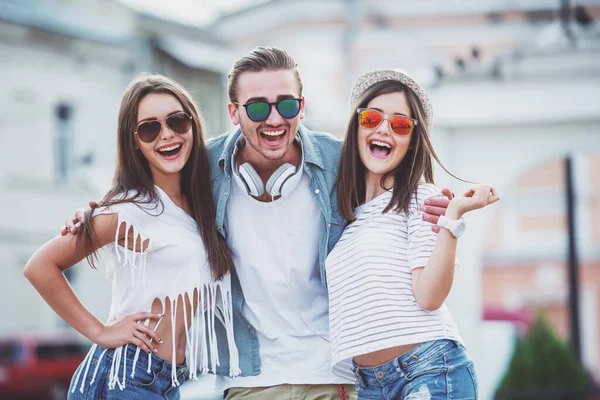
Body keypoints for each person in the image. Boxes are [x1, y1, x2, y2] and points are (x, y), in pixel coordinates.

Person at [63, 48, 452, 400]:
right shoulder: (201, 167)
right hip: (251, 381)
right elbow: (147, 188)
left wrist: (436, 201)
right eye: (257, 108)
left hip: (335, 375)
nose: (274, 119)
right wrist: (97, 215)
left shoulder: (340, 161)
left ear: (301, 106)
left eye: (285, 104)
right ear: (234, 113)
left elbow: (392, 173)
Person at [25, 74, 239, 400]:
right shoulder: (130, 210)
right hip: (127, 373)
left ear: (192, 125)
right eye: (149, 128)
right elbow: (40, 266)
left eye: (177, 121)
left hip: (165, 378)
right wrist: (100, 331)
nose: (166, 135)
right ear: (134, 141)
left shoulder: (199, 204)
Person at [325, 69, 499, 400]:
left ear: (411, 139)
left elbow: (430, 297)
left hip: (428, 371)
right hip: (369, 385)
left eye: (400, 124)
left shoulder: (419, 199)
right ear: (356, 125)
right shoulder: (344, 217)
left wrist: (452, 217)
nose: (384, 129)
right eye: (372, 117)